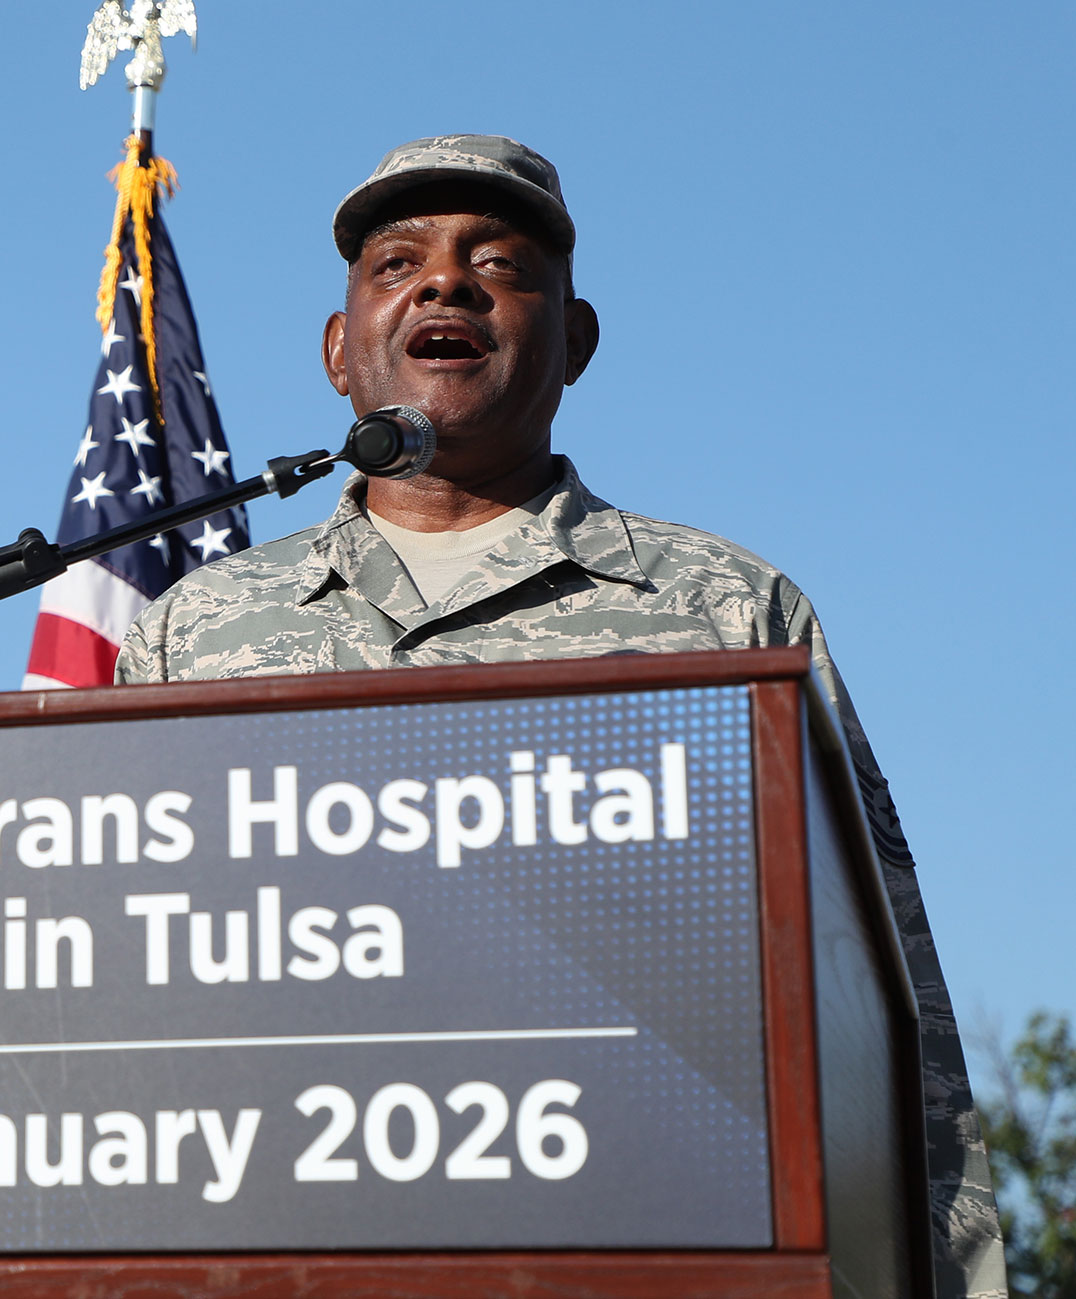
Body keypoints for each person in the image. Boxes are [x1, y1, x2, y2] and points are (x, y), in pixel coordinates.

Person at [117, 135, 1005, 1297]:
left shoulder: (725, 610)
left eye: (502, 265)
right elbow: (122, 993)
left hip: (639, 1240)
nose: (444, 285)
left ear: (575, 343)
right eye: (396, 264)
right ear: (339, 353)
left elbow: (887, 1003)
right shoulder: (194, 633)